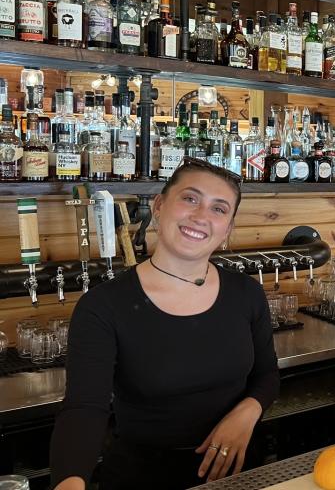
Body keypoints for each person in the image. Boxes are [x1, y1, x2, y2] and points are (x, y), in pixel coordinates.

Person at [50, 157, 279, 490]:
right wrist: (69, 483)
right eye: (190, 199)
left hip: (236, 473)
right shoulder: (103, 306)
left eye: (219, 209)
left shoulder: (246, 293)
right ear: (159, 206)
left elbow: (267, 375)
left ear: (228, 229)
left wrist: (247, 412)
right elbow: (84, 408)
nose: (201, 216)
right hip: (142, 476)